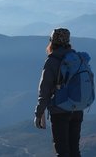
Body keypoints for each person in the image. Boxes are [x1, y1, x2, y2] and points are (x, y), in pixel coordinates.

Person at [35, 27, 84, 157]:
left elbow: (44, 91)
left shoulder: (52, 61)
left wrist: (39, 113)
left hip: (60, 111)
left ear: (52, 42)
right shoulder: (76, 58)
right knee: (74, 150)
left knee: (62, 152)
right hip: (77, 109)